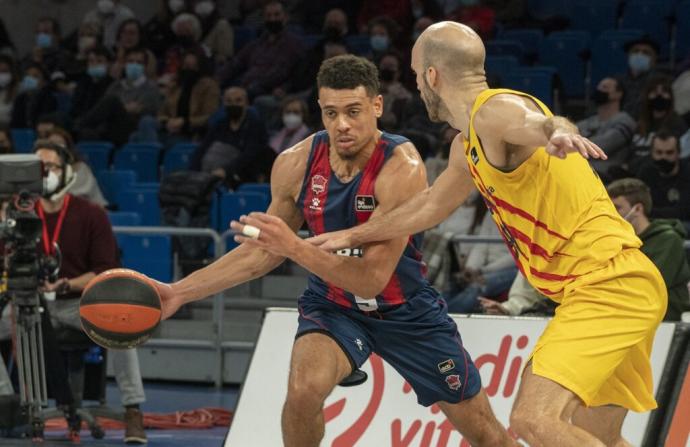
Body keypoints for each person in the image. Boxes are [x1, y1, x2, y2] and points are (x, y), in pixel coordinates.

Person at [307, 22, 667, 447]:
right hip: (617, 286)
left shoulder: (492, 110)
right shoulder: (467, 145)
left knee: (534, 420)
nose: (416, 84)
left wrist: (559, 132)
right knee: (595, 436)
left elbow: (537, 122)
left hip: (606, 285)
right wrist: (353, 234)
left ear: (432, 76)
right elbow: (427, 207)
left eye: (416, 73)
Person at [155, 55, 516, 447]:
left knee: (487, 437)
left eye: (353, 111)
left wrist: (293, 246)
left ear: (377, 106)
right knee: (303, 391)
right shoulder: (295, 164)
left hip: (407, 312)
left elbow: (373, 278)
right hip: (334, 305)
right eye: (330, 113)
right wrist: (179, 291)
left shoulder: (402, 166)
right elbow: (263, 253)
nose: (341, 124)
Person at [31, 139, 147, 444]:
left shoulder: (90, 214)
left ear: (67, 171)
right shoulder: (22, 216)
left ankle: (133, 409)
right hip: (29, 303)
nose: (46, 173)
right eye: (39, 168)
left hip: (78, 304)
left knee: (124, 322)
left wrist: (67, 284)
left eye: (52, 166)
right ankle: (9, 403)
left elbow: (105, 270)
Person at [608, 178, 690, 321]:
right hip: (628, 312)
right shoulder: (615, 240)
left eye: (617, 208)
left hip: (663, 318)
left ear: (638, 209)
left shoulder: (668, 240)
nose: (611, 213)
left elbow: (648, 286)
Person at [577, 76, 636, 177]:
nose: (599, 90)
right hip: (582, 172)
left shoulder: (625, 121)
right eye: (599, 87)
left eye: (605, 87)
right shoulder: (588, 121)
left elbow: (602, 146)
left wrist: (578, 143)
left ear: (618, 94)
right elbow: (569, 137)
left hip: (608, 175)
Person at [636, 129, 690, 222]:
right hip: (651, 223)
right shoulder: (646, 172)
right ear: (652, 153)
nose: (663, 157)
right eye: (659, 152)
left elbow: (683, 212)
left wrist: (650, 212)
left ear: (679, 153)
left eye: (669, 152)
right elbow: (638, 206)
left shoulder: (687, 173)